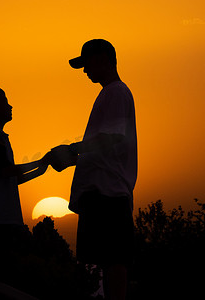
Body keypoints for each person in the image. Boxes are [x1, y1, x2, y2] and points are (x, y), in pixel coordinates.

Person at [49, 39, 138, 300]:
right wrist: (73, 158)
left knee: (113, 259)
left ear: (102, 60)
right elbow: (106, 148)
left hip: (107, 192)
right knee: (102, 261)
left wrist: (73, 150)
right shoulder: (111, 93)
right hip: (102, 191)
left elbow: (112, 139)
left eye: (86, 64)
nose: (85, 71)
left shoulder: (115, 92)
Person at [0, 86, 49, 281]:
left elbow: (10, 177)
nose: (10, 105)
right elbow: (4, 171)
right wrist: (41, 162)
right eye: (4, 101)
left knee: (4, 272)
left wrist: (40, 169)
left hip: (2, 220)